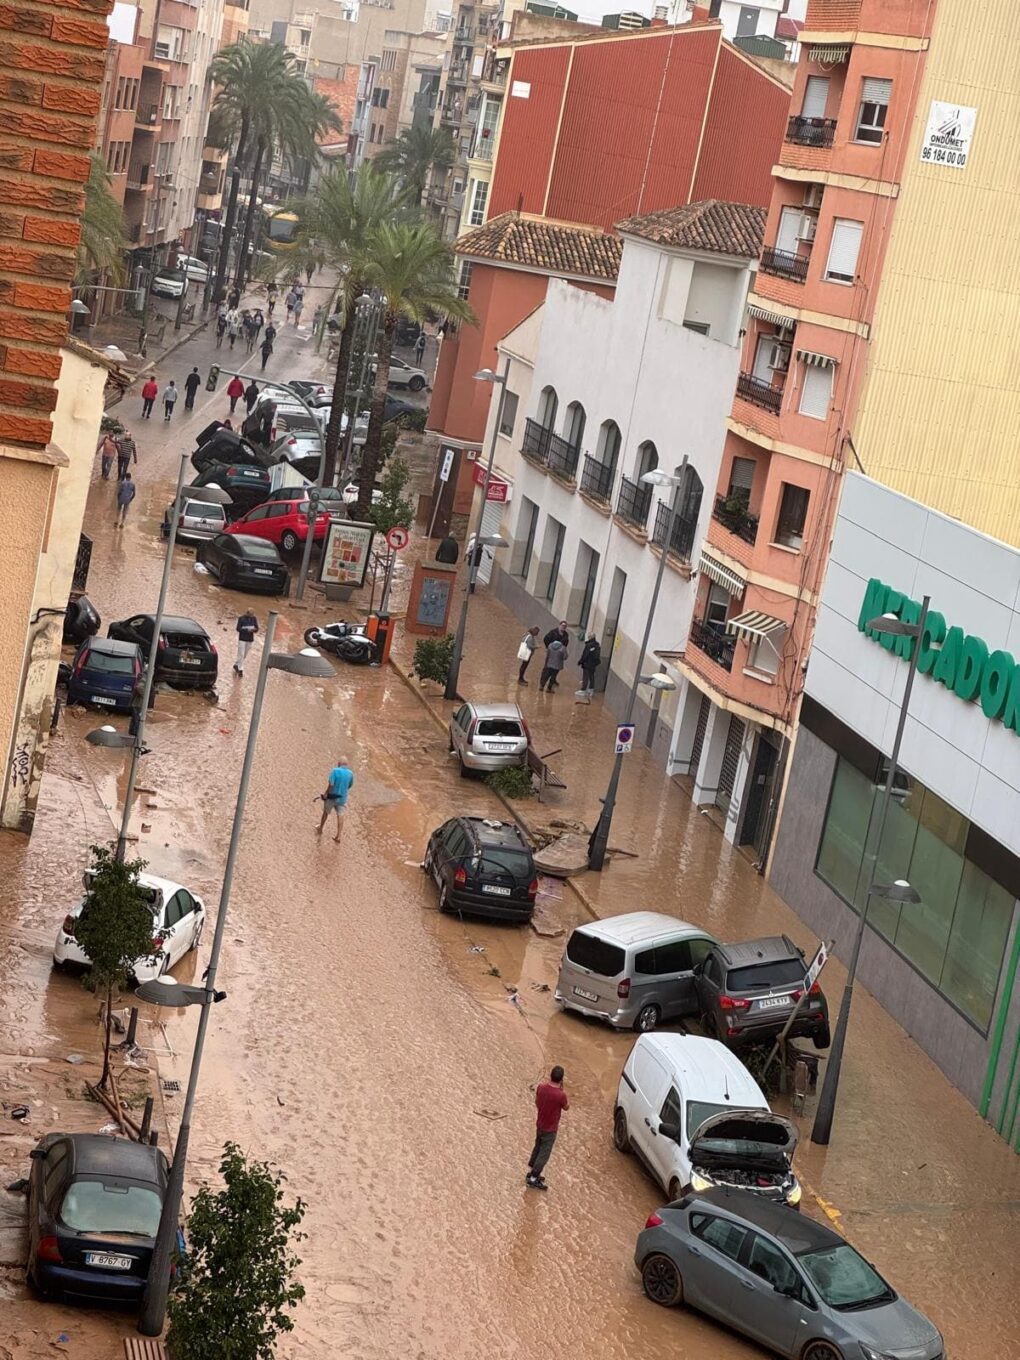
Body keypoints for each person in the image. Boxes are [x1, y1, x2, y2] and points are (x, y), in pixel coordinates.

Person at [526, 1065, 568, 1191]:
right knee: (544, 1154)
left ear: (551, 1075)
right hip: (550, 1129)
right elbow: (566, 1107)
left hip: (540, 1124)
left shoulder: (541, 1088)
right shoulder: (561, 1095)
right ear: (561, 1079)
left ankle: (532, 1170)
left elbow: (537, 1103)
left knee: (537, 1147)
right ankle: (533, 1178)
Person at [317, 757, 354, 843]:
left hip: (331, 797)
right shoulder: (350, 774)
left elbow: (331, 784)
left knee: (326, 812)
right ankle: (338, 835)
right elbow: (350, 785)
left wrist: (326, 793)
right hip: (342, 798)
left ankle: (321, 828)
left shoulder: (335, 771)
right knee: (340, 815)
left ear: (339, 763)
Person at [234, 609, 258, 676]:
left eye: (252, 615)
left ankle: (236, 664)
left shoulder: (254, 618)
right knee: (241, 654)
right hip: (242, 639)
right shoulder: (241, 618)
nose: (251, 616)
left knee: (244, 654)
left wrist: (254, 630)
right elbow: (238, 628)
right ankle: (240, 669)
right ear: (247, 613)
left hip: (250, 639)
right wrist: (247, 630)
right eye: (250, 615)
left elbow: (257, 628)